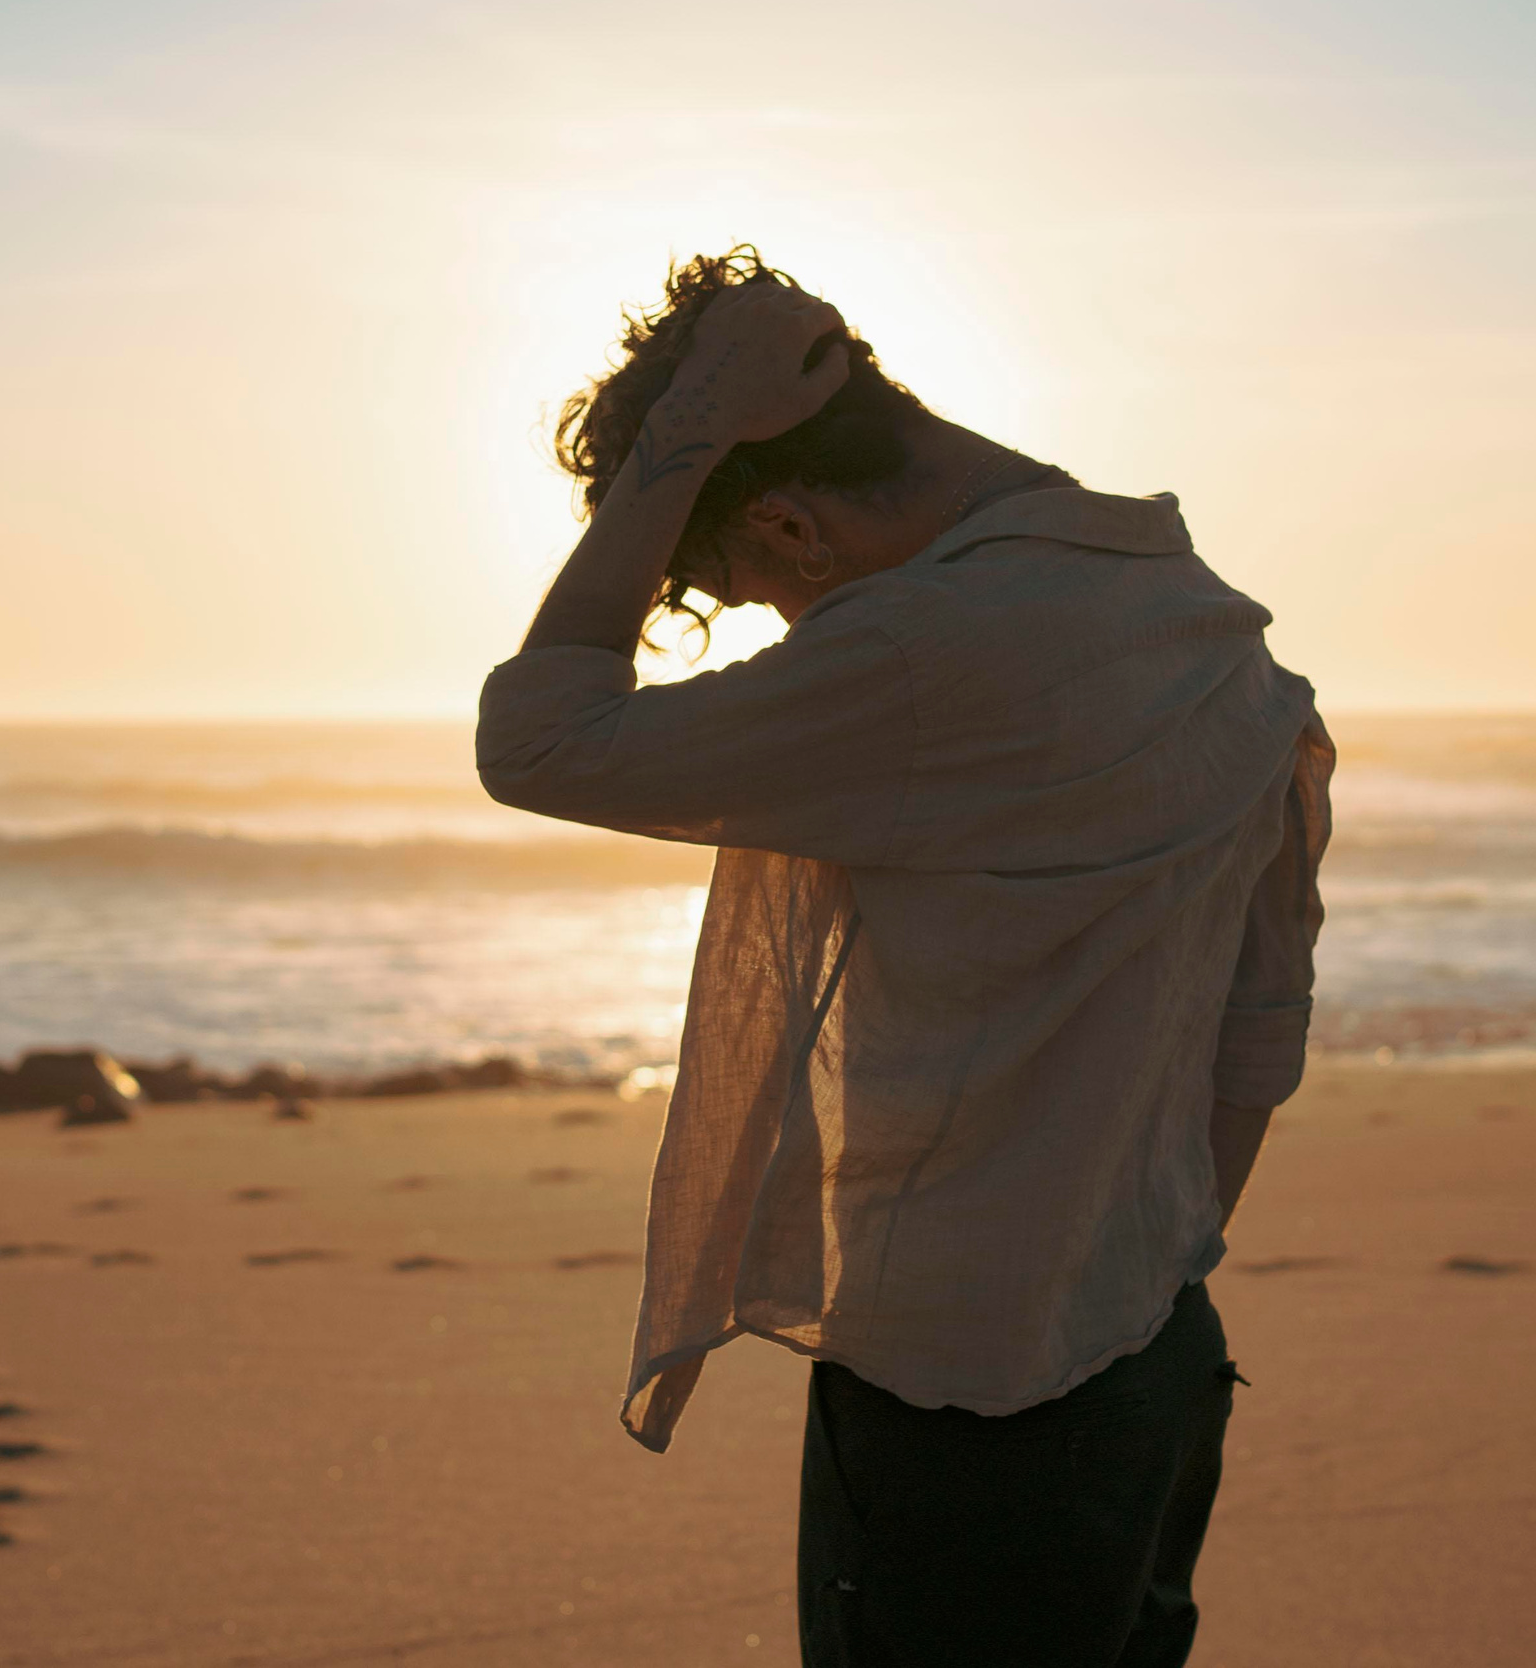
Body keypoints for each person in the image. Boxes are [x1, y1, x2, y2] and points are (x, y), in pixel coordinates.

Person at [477, 248, 1332, 1666]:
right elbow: (1263, 1021)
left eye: (747, 584)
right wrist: (1134, 1272)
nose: (776, 628)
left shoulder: (917, 653)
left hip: (962, 1396)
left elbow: (539, 739)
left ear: (795, 528)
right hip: (1159, 1357)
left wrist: (680, 446)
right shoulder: (1203, 619)